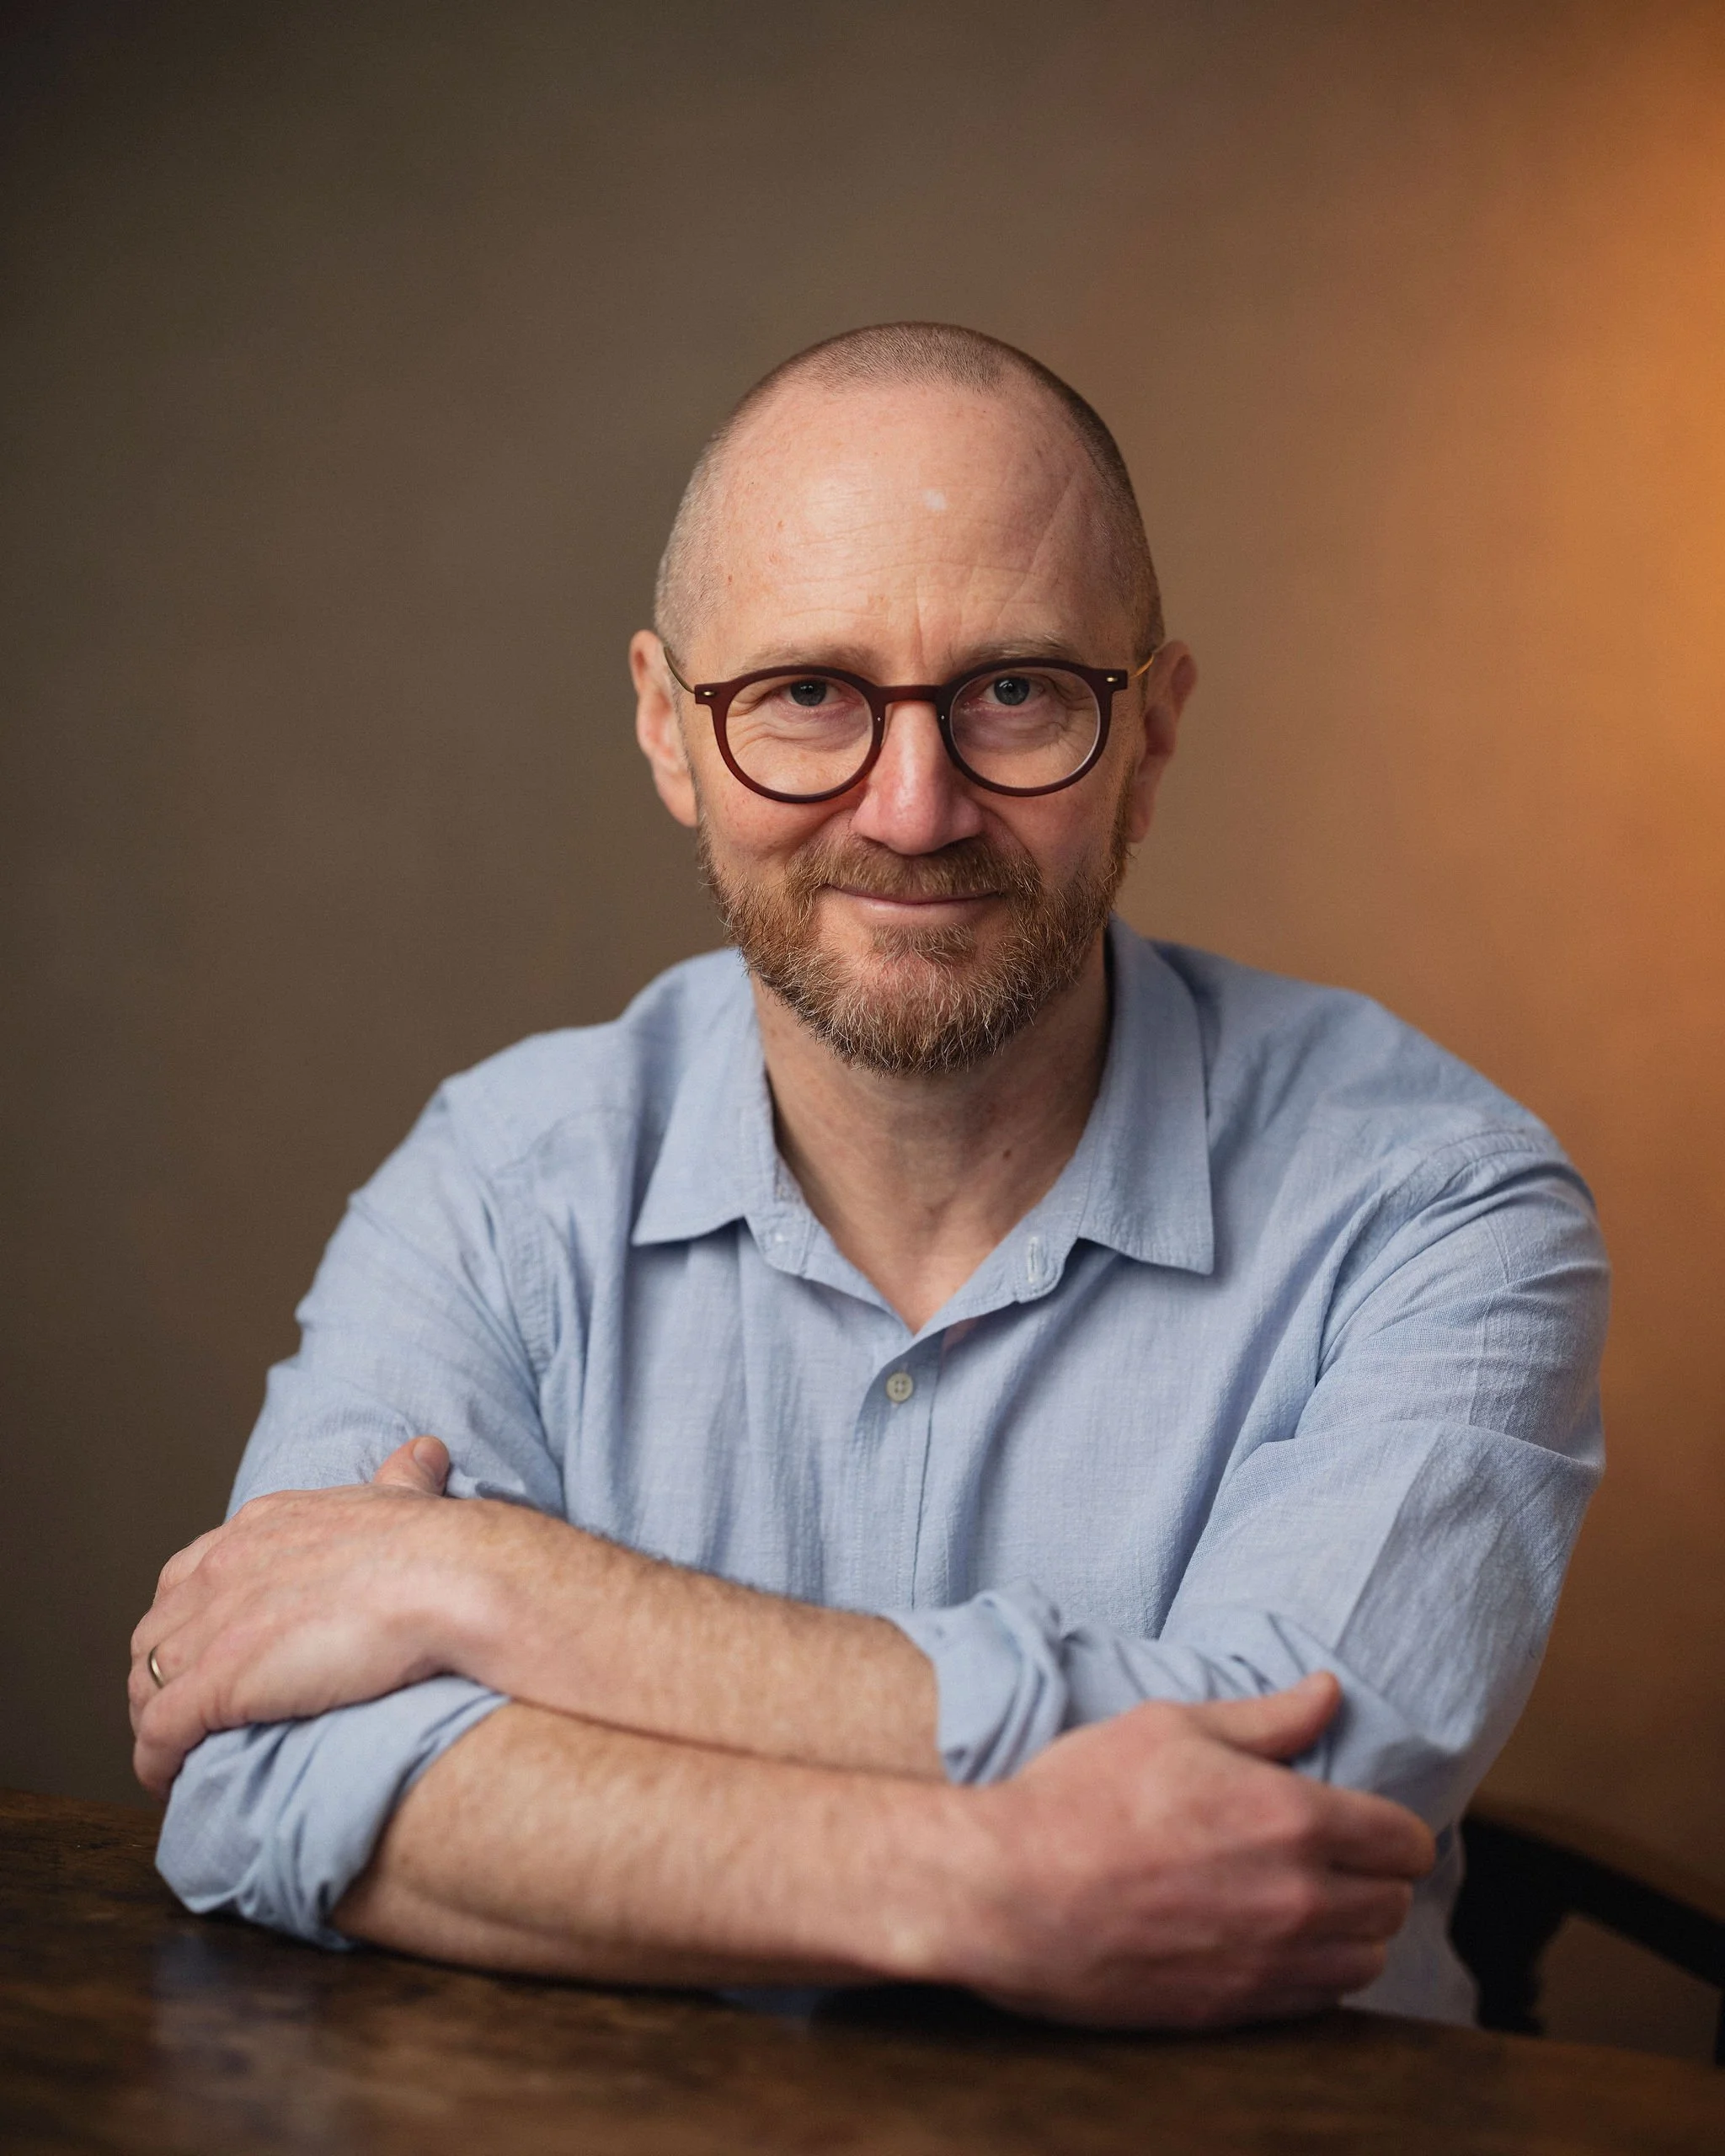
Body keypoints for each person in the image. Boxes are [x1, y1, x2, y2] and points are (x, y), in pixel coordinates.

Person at [130, 323, 1607, 2028]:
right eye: (808, 694)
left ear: (1155, 729)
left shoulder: (1439, 1204)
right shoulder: (495, 1179)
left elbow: (1286, 1791)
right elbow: (261, 1771)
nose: (912, 806)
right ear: (668, 728)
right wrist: (972, 1887)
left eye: (1015, 690)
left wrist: (497, 1586)